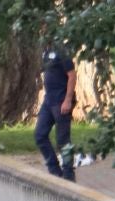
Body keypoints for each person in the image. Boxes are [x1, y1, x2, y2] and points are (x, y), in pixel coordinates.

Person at [33, 42, 77, 181]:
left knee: (63, 140)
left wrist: (68, 100)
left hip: (61, 101)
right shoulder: (46, 51)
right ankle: (54, 170)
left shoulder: (61, 51)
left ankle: (69, 174)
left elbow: (72, 76)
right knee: (40, 135)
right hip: (49, 100)